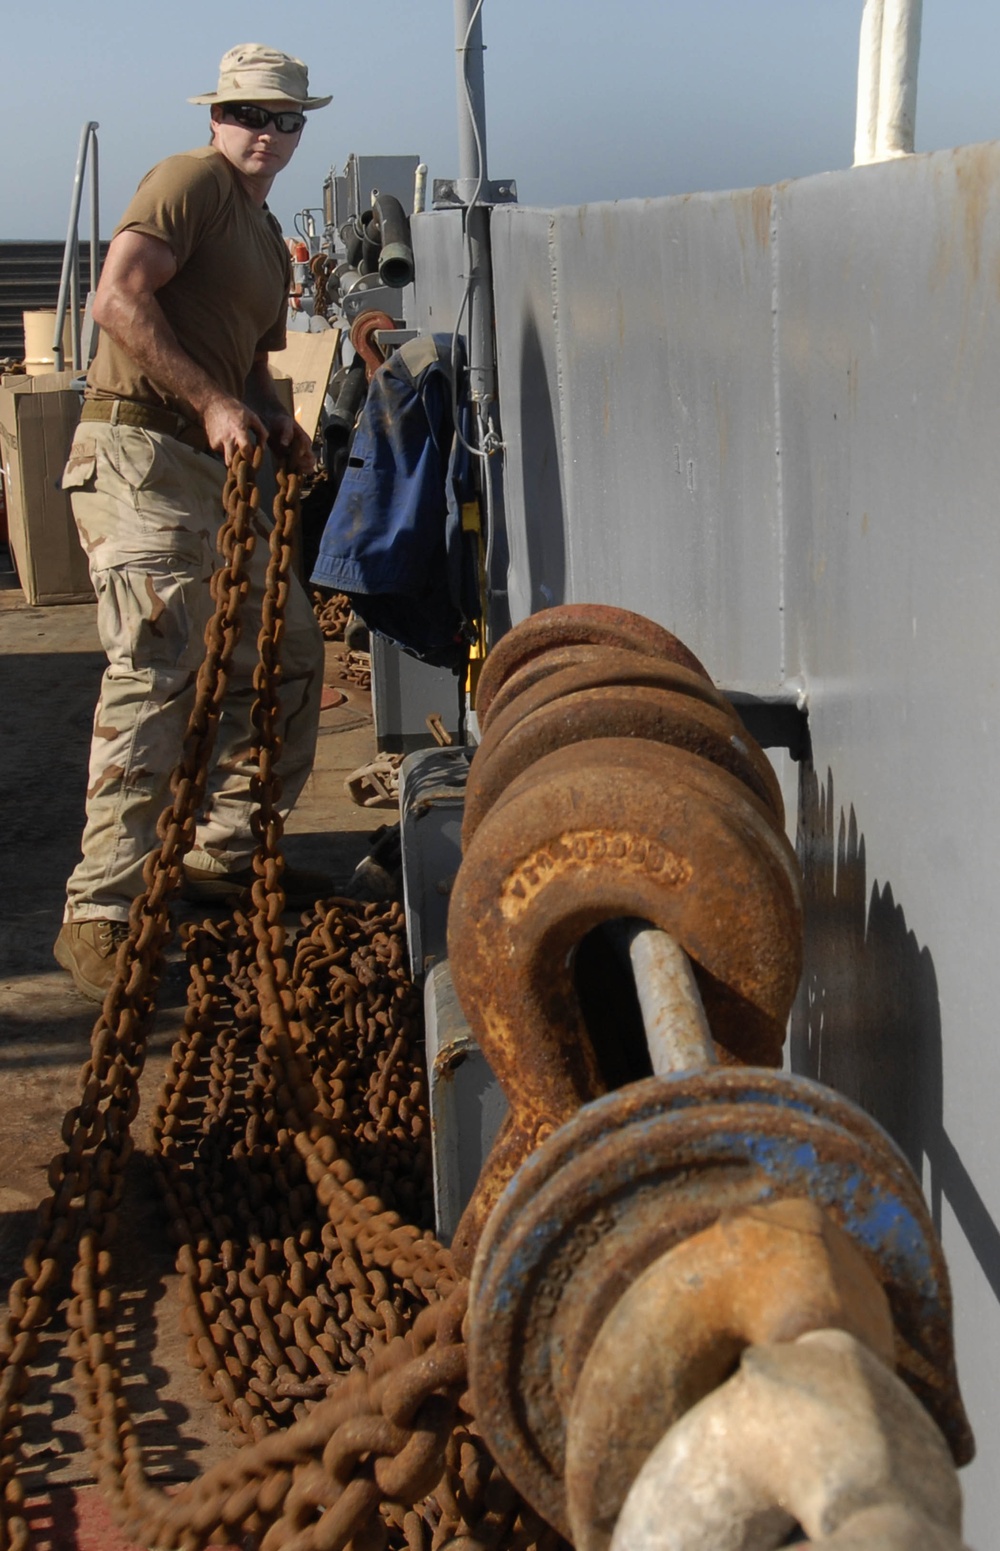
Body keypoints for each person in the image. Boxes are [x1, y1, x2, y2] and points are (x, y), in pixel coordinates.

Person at [55, 43, 333, 1002]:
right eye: (249, 114)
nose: (266, 133)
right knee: (160, 661)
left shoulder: (263, 237)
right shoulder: (190, 183)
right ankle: (100, 912)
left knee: (291, 653)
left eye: (285, 119)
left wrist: (272, 415)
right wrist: (216, 405)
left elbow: (254, 366)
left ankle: (220, 853)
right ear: (215, 116)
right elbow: (118, 298)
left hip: (212, 459)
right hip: (140, 449)